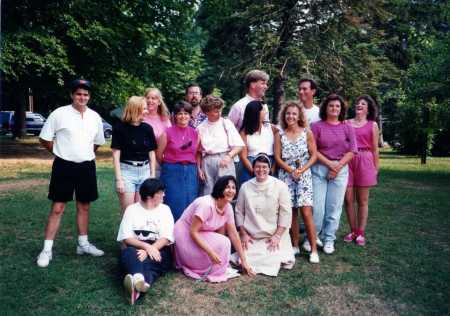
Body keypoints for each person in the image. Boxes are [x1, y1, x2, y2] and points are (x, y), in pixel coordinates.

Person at [36, 79, 105, 268]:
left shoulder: (95, 117)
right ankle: (47, 249)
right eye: (78, 94)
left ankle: (83, 244)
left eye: (85, 94)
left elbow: (97, 142)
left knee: (84, 206)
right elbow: (45, 139)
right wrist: (60, 152)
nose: (82, 97)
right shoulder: (59, 114)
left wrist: (85, 154)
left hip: (86, 166)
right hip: (63, 166)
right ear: (72, 95)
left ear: (89, 97)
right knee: (58, 207)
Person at [174, 176, 255, 282]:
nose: (231, 191)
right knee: (224, 242)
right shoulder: (206, 205)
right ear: (220, 188)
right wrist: (210, 252)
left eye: (233, 187)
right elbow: (193, 232)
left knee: (223, 241)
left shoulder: (228, 207)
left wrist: (244, 261)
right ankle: (206, 267)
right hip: (185, 234)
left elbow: (234, 234)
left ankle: (215, 267)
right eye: (227, 187)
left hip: (201, 233)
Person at [232, 154, 295, 276]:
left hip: (274, 235)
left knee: (274, 258)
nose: (261, 170)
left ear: (269, 168)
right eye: (258, 167)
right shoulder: (245, 187)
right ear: (253, 168)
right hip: (251, 235)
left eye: (264, 167)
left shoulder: (280, 186)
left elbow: (286, 213)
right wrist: (243, 234)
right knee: (243, 258)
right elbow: (239, 211)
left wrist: (277, 235)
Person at [311, 93, 357, 255]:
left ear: (341, 109)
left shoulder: (347, 127)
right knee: (317, 208)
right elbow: (313, 150)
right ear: (326, 108)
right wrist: (330, 164)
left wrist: (337, 167)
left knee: (334, 207)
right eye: (331, 105)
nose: (334, 108)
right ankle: (314, 237)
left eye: (338, 106)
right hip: (319, 169)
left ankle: (329, 239)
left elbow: (352, 150)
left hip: (340, 170)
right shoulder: (316, 126)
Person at [274, 101, 320, 263]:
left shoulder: (307, 132)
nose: (291, 116)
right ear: (283, 116)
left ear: (299, 115)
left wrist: (302, 169)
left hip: (304, 174)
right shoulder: (279, 135)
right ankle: (294, 245)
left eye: (294, 113)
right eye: (288, 113)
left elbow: (314, 154)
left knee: (306, 212)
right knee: (291, 212)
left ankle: (314, 249)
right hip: (286, 175)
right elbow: (278, 158)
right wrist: (290, 170)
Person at [117, 179, 174, 305]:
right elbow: (126, 237)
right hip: (135, 248)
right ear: (150, 196)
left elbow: (165, 237)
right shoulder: (131, 210)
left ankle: (135, 282)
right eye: (161, 192)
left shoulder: (165, 210)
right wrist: (146, 247)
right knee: (129, 254)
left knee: (147, 262)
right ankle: (140, 283)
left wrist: (149, 251)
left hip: (159, 249)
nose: (164, 194)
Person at [343, 95, 380, 246]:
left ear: (368, 108)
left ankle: (361, 233)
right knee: (348, 199)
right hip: (348, 160)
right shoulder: (346, 123)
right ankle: (352, 230)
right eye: (358, 103)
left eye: (363, 104)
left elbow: (375, 149)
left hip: (365, 160)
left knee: (363, 200)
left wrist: (375, 168)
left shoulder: (373, 125)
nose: (359, 105)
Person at [111, 96, 157, 212]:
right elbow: (116, 155)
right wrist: (119, 179)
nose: (147, 111)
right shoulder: (119, 128)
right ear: (135, 109)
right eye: (144, 108)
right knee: (128, 212)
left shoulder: (147, 129)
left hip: (145, 171)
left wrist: (152, 175)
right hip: (127, 173)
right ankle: (126, 231)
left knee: (141, 210)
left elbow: (151, 153)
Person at [157, 101, 199, 221]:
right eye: (180, 113)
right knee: (173, 201)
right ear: (174, 116)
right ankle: (172, 233)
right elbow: (159, 154)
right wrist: (170, 165)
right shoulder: (167, 132)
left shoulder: (195, 133)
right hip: (172, 170)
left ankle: (187, 232)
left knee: (190, 200)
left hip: (190, 170)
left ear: (190, 116)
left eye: (186, 113)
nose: (183, 116)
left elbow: (194, 153)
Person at [197, 95, 244, 195]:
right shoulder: (200, 128)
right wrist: (199, 168)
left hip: (224, 158)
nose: (219, 113)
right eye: (215, 111)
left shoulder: (226, 123)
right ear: (206, 112)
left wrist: (229, 156)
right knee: (208, 191)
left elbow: (239, 145)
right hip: (207, 161)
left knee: (225, 190)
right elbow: (199, 151)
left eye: (220, 110)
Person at [238, 100, 275, 184]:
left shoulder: (271, 128)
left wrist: (271, 170)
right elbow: (243, 157)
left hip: (269, 166)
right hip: (250, 167)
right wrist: (255, 172)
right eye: (262, 110)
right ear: (256, 113)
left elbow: (276, 152)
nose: (265, 112)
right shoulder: (244, 132)